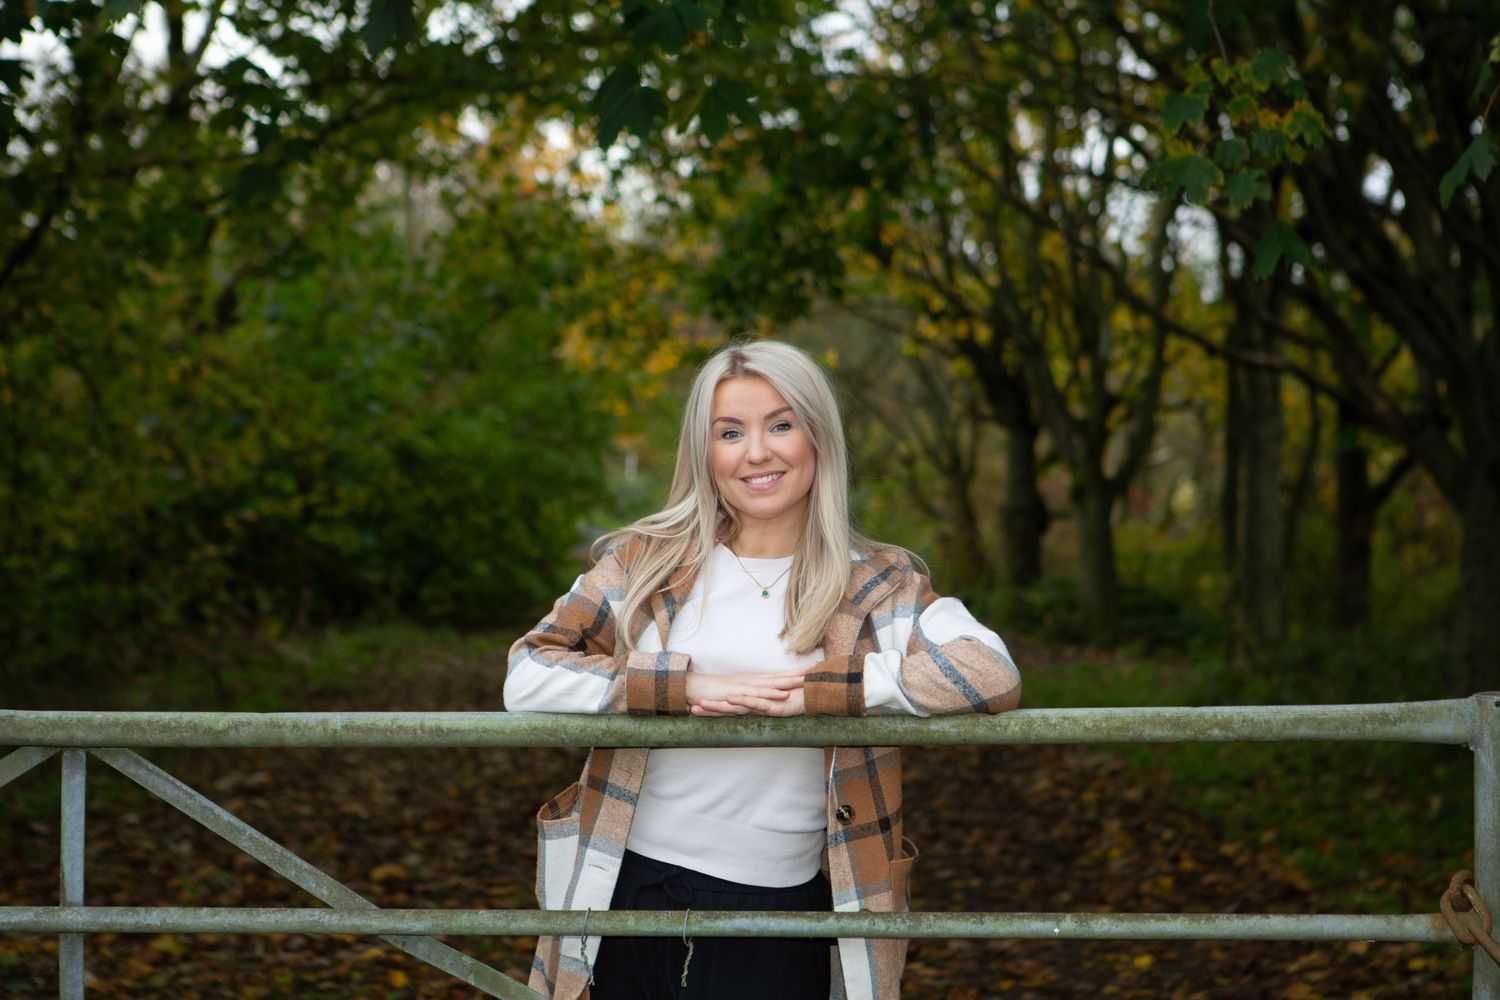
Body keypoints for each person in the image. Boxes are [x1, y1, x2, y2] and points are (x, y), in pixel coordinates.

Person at [504, 340, 1021, 1000]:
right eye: (730, 432)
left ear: (817, 437)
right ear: (705, 451)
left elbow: (990, 672)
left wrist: (826, 693)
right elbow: (527, 674)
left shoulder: (882, 581)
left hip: (783, 913)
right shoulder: (646, 562)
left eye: (781, 424)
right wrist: (678, 687)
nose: (757, 453)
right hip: (629, 890)